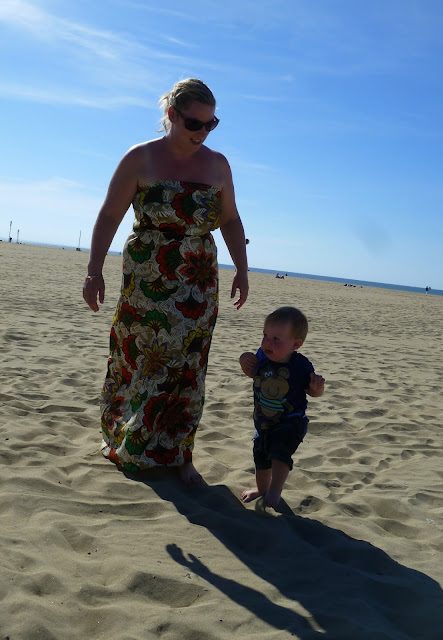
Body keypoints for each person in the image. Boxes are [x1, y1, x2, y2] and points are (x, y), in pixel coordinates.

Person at [83, 78, 249, 485]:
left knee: (188, 366)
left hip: (197, 280)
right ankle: (129, 440)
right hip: (145, 278)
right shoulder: (139, 158)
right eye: (194, 123)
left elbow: (230, 219)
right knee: (140, 357)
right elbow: (109, 215)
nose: (202, 132)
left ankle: (180, 455)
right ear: (172, 115)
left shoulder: (218, 165)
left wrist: (243, 270)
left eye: (211, 124)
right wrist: (94, 270)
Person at [239, 306, 324, 508]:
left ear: (296, 344)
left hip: (290, 422)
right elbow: (253, 374)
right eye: (265, 335)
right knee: (261, 458)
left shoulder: (300, 366)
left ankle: (275, 490)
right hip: (263, 422)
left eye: (276, 339)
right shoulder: (262, 357)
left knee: (279, 454)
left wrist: (316, 388)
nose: (267, 342)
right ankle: (262, 489)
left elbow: (312, 392)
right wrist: (244, 361)